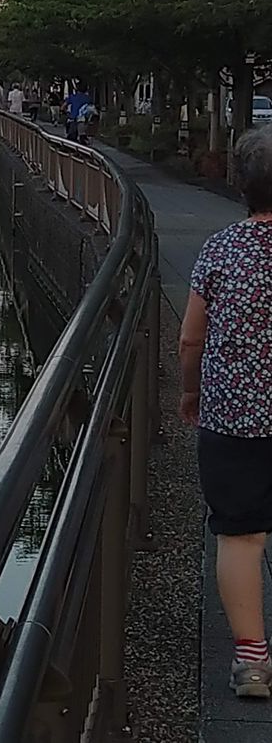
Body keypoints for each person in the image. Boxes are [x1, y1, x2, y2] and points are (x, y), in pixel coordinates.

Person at [180, 127, 272, 699]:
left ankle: (253, 662)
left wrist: (190, 393)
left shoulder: (220, 250)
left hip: (233, 417)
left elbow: (192, 339)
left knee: (240, 538)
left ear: (240, 184)